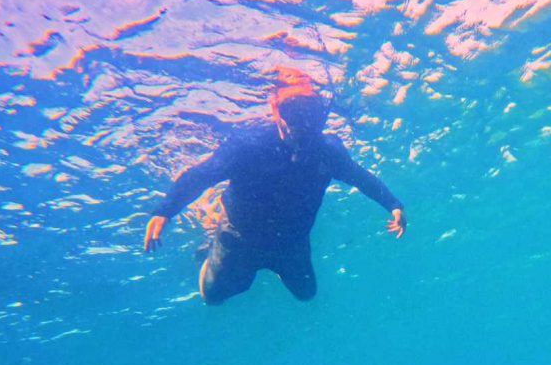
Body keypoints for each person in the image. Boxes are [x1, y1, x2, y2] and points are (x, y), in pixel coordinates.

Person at [143, 84, 405, 304]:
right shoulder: (248, 146)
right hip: (239, 237)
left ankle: (271, 264)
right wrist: (165, 209)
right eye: (292, 115)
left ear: (319, 118)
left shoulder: (328, 151)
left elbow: (360, 177)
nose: (300, 125)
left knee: (306, 294)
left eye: (309, 116)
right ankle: (212, 235)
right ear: (275, 112)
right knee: (213, 298)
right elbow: (202, 174)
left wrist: (393, 204)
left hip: (292, 241)